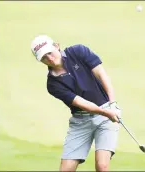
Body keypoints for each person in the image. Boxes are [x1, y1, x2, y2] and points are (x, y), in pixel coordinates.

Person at [31, 35, 122, 171]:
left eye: (49, 52)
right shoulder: (52, 84)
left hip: (106, 112)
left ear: (56, 46)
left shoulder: (78, 51)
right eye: (44, 57)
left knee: (102, 166)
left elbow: (101, 74)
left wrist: (112, 103)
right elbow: (80, 102)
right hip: (81, 121)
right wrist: (106, 112)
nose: (49, 58)